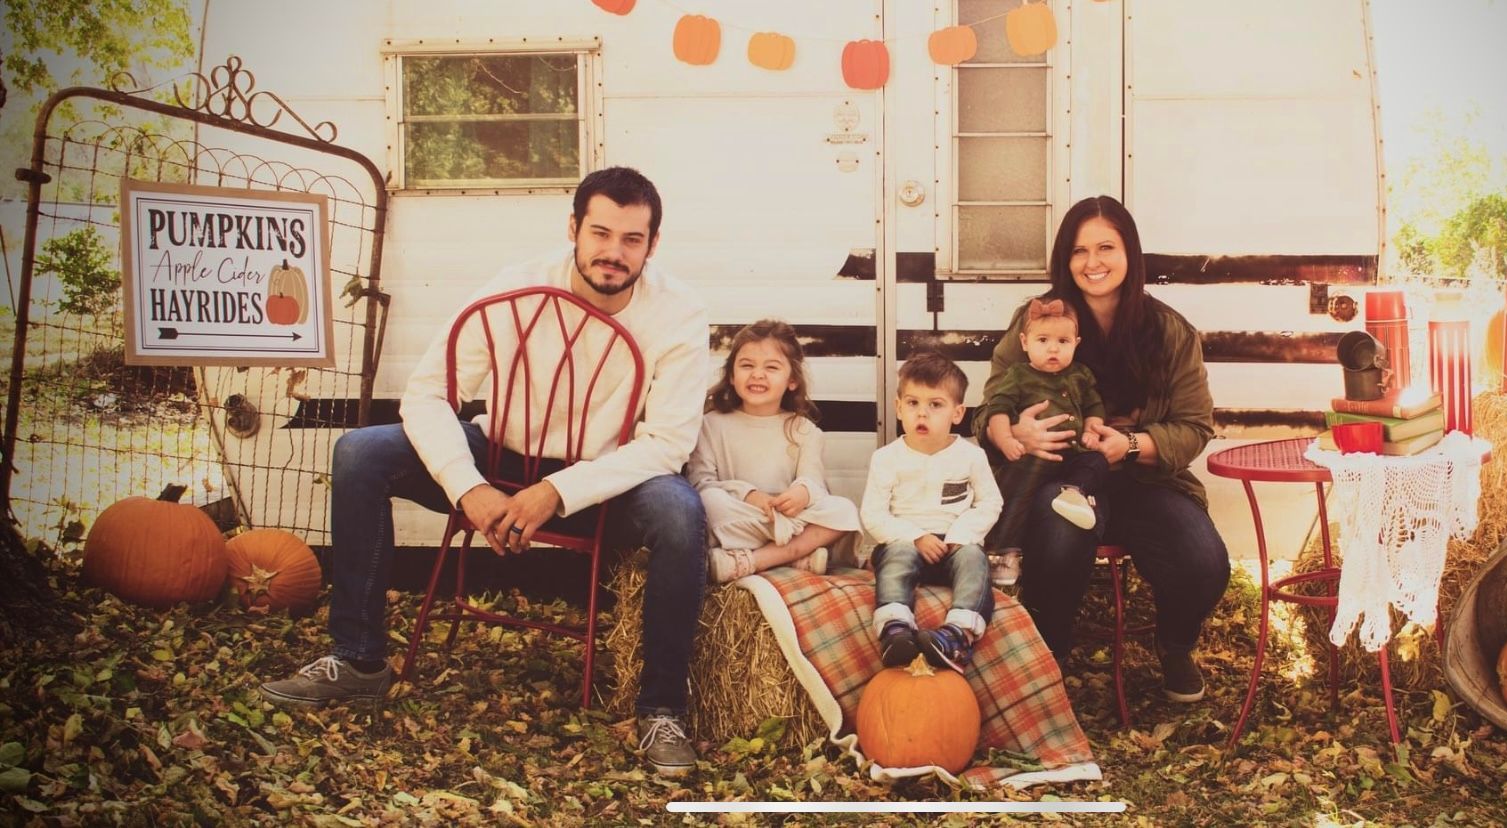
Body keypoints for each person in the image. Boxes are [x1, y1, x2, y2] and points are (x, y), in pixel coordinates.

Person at [258, 167, 712, 777]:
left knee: (681, 512)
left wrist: (556, 491)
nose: (613, 252)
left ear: (652, 245)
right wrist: (467, 484)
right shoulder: (518, 286)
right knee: (360, 453)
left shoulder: (678, 313)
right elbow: (428, 393)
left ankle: (661, 708)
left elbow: (667, 443)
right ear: (573, 228)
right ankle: (359, 658)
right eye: (600, 232)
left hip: (600, 478)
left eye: (632, 239)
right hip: (498, 456)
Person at [971, 195, 1230, 703]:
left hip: (1146, 480)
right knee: (1058, 523)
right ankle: (1050, 657)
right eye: (1078, 250)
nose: (1093, 263)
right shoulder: (1037, 320)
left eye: (1106, 247)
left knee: (1204, 561)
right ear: (1064, 260)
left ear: (1130, 252)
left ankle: (1175, 646)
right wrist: (1014, 432)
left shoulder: (1169, 331)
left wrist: (1131, 444)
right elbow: (987, 411)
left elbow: (1195, 426)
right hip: (1059, 479)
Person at [860, 352, 1003, 674]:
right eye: (912, 403)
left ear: (957, 413)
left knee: (974, 559)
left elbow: (989, 503)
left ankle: (957, 634)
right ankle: (895, 629)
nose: (922, 413)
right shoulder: (886, 458)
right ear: (898, 407)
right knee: (896, 557)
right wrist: (915, 536)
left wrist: (959, 538)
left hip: (953, 544)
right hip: (905, 541)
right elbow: (873, 513)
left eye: (935, 405)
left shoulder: (971, 456)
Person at [691, 319, 861, 582]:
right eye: (747, 365)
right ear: (732, 376)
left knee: (843, 509)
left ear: (792, 380)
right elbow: (701, 483)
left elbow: (814, 482)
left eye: (771, 367)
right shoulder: (710, 425)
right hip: (744, 514)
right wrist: (749, 496)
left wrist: (801, 494)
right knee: (709, 503)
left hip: (789, 518)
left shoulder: (804, 431)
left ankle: (752, 560)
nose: (757, 374)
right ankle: (794, 555)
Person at [981, 297, 1109, 534]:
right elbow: (998, 410)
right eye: (1042, 340)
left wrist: (1092, 430)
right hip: (1033, 456)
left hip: (1073, 454)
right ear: (1024, 342)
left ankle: (1074, 493)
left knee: (1097, 461)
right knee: (1014, 495)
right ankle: (1004, 549)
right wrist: (1006, 439)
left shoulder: (1081, 375)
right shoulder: (1018, 375)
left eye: (1063, 341)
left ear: (1076, 343)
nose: (1053, 348)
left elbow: (1094, 406)